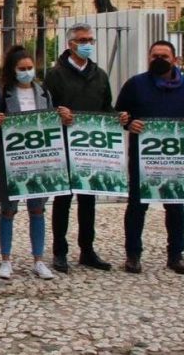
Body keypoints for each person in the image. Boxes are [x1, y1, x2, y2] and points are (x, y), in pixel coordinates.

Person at [116, 40, 184, 275]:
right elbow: (119, 113)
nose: (159, 59)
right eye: (155, 55)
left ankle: (176, 255)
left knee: (176, 207)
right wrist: (128, 123)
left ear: (174, 59)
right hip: (143, 156)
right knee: (137, 206)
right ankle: (133, 255)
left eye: (164, 56)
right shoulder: (135, 84)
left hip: (176, 158)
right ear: (148, 58)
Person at [44, 22, 122, 273]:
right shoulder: (55, 75)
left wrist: (116, 117)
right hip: (64, 145)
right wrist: (58, 114)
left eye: (90, 40)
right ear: (70, 44)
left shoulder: (99, 74)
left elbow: (105, 107)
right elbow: (45, 109)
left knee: (89, 200)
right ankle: (60, 251)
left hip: (90, 147)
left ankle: (87, 250)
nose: (87, 44)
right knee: (63, 199)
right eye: (82, 40)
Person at [0, 45, 71, 280]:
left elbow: (49, 123)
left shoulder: (44, 93)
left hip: (39, 159)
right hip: (11, 160)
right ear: (12, 70)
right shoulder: (1, 95)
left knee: (37, 209)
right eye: (21, 68)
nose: (26, 72)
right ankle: (6, 260)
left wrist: (62, 117)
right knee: (8, 210)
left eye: (29, 68)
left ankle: (38, 259)